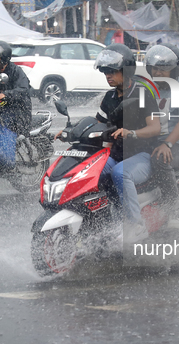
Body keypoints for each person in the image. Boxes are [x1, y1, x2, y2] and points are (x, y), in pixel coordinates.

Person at [57, 43, 160, 243]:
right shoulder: (110, 97)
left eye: (112, 72)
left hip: (143, 155)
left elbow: (155, 128)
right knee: (88, 174)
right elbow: (98, 123)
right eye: (105, 72)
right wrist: (71, 132)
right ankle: (96, 224)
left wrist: (132, 133)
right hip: (117, 154)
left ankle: (135, 226)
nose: (108, 76)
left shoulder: (142, 94)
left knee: (120, 173)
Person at [144, 43, 179, 229]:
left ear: (174, 70)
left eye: (164, 69)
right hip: (153, 140)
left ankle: (175, 209)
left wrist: (168, 144)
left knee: (159, 158)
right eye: (155, 68)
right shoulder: (148, 88)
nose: (158, 73)